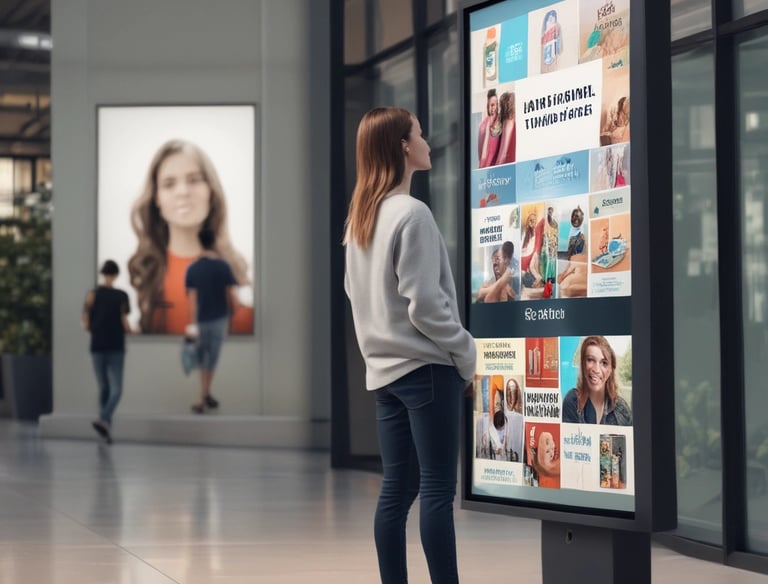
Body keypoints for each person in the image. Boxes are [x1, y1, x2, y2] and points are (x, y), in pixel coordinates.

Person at [344, 107, 476, 584]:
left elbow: (357, 297)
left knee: (396, 492)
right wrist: (466, 354)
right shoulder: (412, 214)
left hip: (385, 377)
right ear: (403, 146)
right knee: (438, 490)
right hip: (426, 371)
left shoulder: (362, 219)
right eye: (420, 133)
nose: (427, 141)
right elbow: (426, 307)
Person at [128, 139, 253, 335]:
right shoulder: (144, 273)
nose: (183, 192)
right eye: (169, 184)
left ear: (211, 191)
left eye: (194, 180)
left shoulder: (240, 271)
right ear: (156, 199)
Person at [185, 227, 240, 414]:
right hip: (219, 318)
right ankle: (204, 396)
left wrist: (193, 325)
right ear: (213, 242)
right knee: (211, 359)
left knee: (203, 360)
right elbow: (231, 296)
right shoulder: (223, 266)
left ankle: (204, 396)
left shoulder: (193, 268)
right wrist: (233, 318)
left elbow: (193, 300)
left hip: (201, 320)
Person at [82, 260, 131, 444]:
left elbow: (86, 322)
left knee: (105, 387)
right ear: (116, 274)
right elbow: (124, 321)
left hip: (98, 345)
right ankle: (105, 422)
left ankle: (103, 420)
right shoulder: (121, 295)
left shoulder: (93, 295)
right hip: (116, 345)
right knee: (115, 388)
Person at [562, 336, 632, 425]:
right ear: (583, 364)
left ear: (610, 369)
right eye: (590, 360)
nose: (596, 369)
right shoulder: (572, 401)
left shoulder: (622, 409)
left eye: (604, 363)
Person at [478, 88, 502, 168]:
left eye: (494, 105)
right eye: (490, 105)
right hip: (484, 164)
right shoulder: (484, 123)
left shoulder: (500, 121)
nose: (492, 108)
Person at [496, 91, 516, 165]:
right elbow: (505, 149)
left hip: (505, 161)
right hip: (507, 161)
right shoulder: (509, 122)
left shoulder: (506, 121)